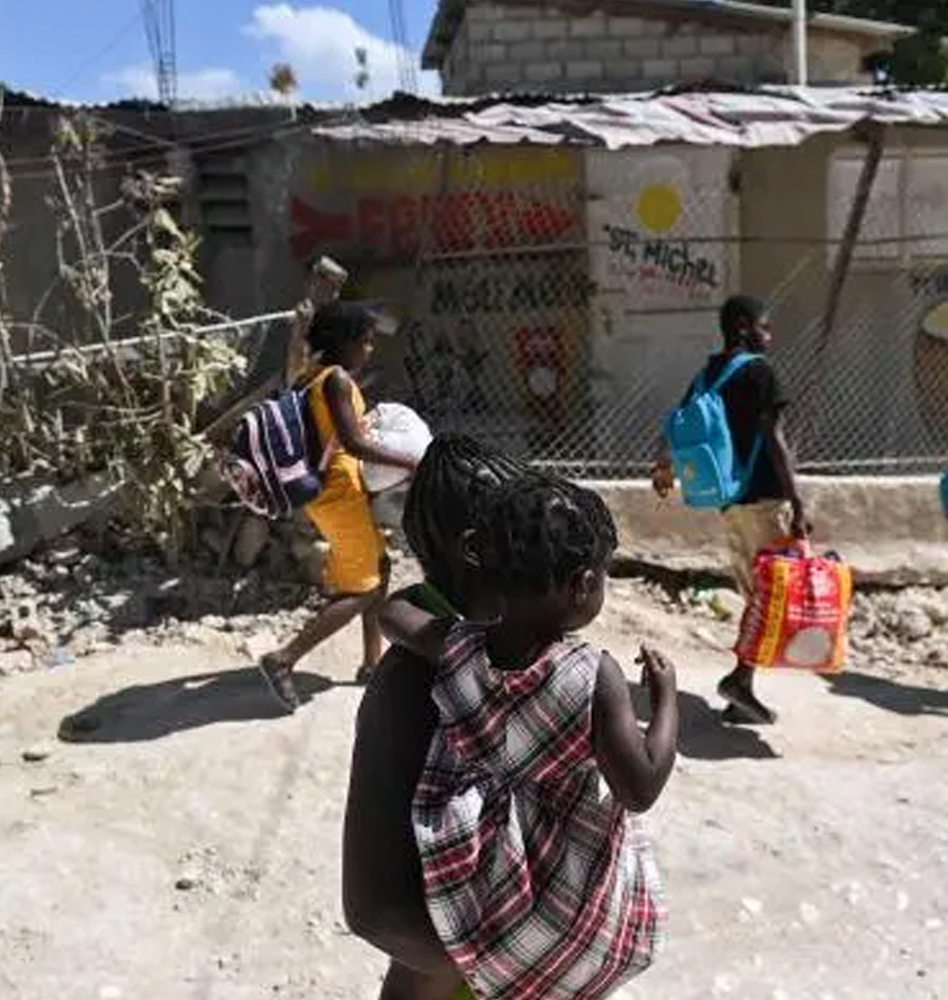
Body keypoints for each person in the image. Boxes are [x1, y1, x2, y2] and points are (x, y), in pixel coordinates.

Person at [382, 473, 679, 1000]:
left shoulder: (458, 646)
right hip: (565, 889)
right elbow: (641, 787)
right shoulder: (593, 675)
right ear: (584, 584)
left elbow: (393, 614)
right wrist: (665, 699)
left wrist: (433, 580)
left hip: (476, 878)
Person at [343, 437, 530, 1000]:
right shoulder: (411, 685)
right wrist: (496, 964)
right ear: (478, 549)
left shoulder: (506, 648)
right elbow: (373, 908)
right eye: (529, 529)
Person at [651, 294, 807, 725]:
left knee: (758, 597)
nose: (769, 335)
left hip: (729, 503)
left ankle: (742, 689)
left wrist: (662, 467)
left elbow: (674, 426)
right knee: (775, 596)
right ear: (743, 326)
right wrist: (797, 501)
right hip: (765, 500)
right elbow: (774, 438)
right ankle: (740, 680)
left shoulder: (707, 375)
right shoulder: (760, 372)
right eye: (765, 326)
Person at [258, 301, 419, 711]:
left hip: (336, 492)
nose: (369, 350)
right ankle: (283, 660)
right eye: (364, 342)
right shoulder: (337, 381)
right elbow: (354, 443)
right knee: (362, 589)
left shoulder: (314, 378)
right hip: (338, 493)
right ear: (344, 342)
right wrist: (413, 462)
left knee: (378, 572)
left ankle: (372, 665)